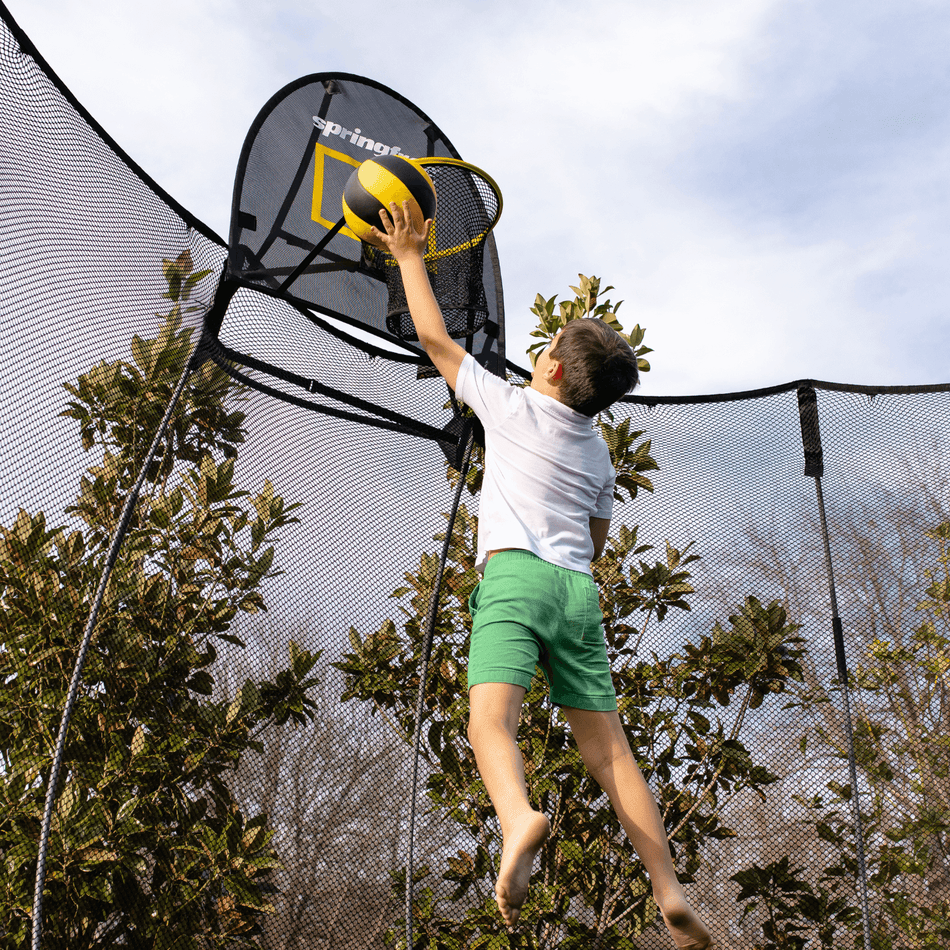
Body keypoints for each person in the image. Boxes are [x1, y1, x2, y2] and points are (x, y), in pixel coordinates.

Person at [372, 202, 712, 949]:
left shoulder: (512, 404)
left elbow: (434, 339)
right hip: (576, 593)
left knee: (489, 721)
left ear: (552, 368)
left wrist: (407, 255)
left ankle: (517, 815)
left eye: (549, 343)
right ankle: (668, 887)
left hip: (517, 579)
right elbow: (594, 539)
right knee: (611, 750)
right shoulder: (597, 453)